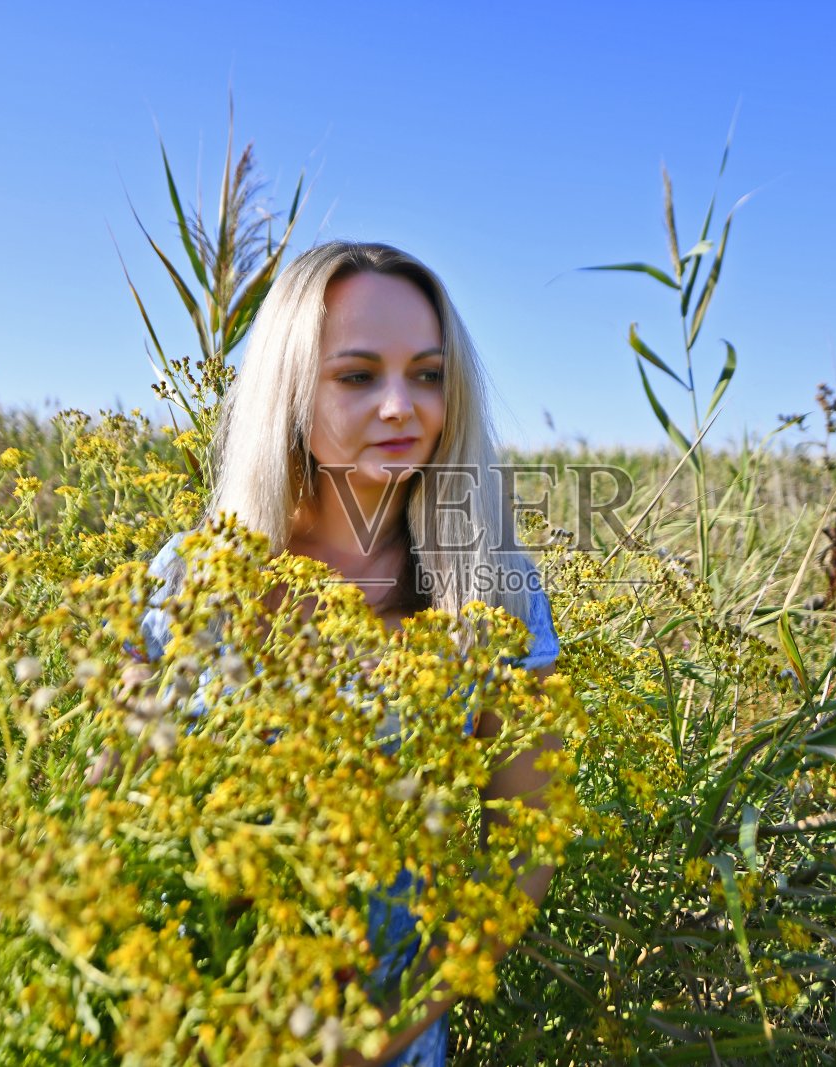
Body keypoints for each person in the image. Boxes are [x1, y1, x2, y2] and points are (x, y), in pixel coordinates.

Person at [143, 241, 561, 1066]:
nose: (403, 406)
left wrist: (389, 1029)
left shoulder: (493, 584)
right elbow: (95, 816)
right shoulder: (194, 575)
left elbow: (528, 847)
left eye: (429, 374)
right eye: (359, 375)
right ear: (290, 390)